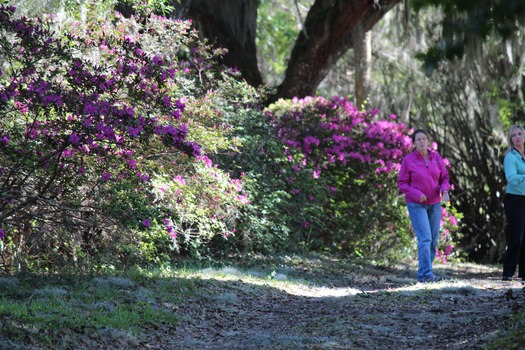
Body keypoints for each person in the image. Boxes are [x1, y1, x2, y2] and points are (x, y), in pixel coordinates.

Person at [398, 129, 450, 283]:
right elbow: (402, 183)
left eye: (424, 138)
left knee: (433, 240)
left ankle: (425, 272)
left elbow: (444, 177)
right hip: (416, 204)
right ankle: (426, 275)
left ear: (428, 141)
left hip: (434, 203)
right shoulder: (408, 160)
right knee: (425, 239)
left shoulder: (436, 157)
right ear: (414, 143)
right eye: (418, 139)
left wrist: (445, 190)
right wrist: (416, 194)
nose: (421, 141)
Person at [502, 125, 525, 282]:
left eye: (519, 134)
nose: (517, 137)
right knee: (517, 237)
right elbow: (511, 178)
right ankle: (508, 272)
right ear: (511, 139)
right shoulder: (510, 156)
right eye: (514, 135)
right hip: (514, 200)